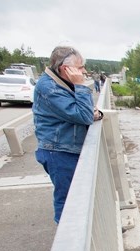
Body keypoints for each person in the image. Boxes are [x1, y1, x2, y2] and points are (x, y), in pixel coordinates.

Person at [33, 45, 103, 223]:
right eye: (80, 67)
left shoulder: (60, 83)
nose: (84, 71)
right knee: (67, 199)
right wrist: (80, 86)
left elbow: (86, 112)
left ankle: (81, 230)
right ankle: (67, 243)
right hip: (59, 152)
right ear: (66, 69)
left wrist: (93, 113)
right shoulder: (50, 88)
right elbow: (84, 115)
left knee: (77, 194)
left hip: (67, 148)